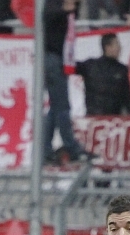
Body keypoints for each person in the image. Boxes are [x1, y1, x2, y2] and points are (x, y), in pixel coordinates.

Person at [43, 0, 90, 165]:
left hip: (56, 59)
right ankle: (72, 148)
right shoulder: (52, 5)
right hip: (53, 59)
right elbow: (47, 16)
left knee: (55, 107)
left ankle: (45, 150)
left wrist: (69, 8)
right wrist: (64, 9)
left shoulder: (65, 8)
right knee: (63, 107)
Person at [76, 33, 130, 117]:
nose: (120, 48)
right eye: (117, 44)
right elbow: (69, 67)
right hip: (92, 120)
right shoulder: (90, 65)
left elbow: (128, 98)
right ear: (107, 47)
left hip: (114, 121)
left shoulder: (122, 70)